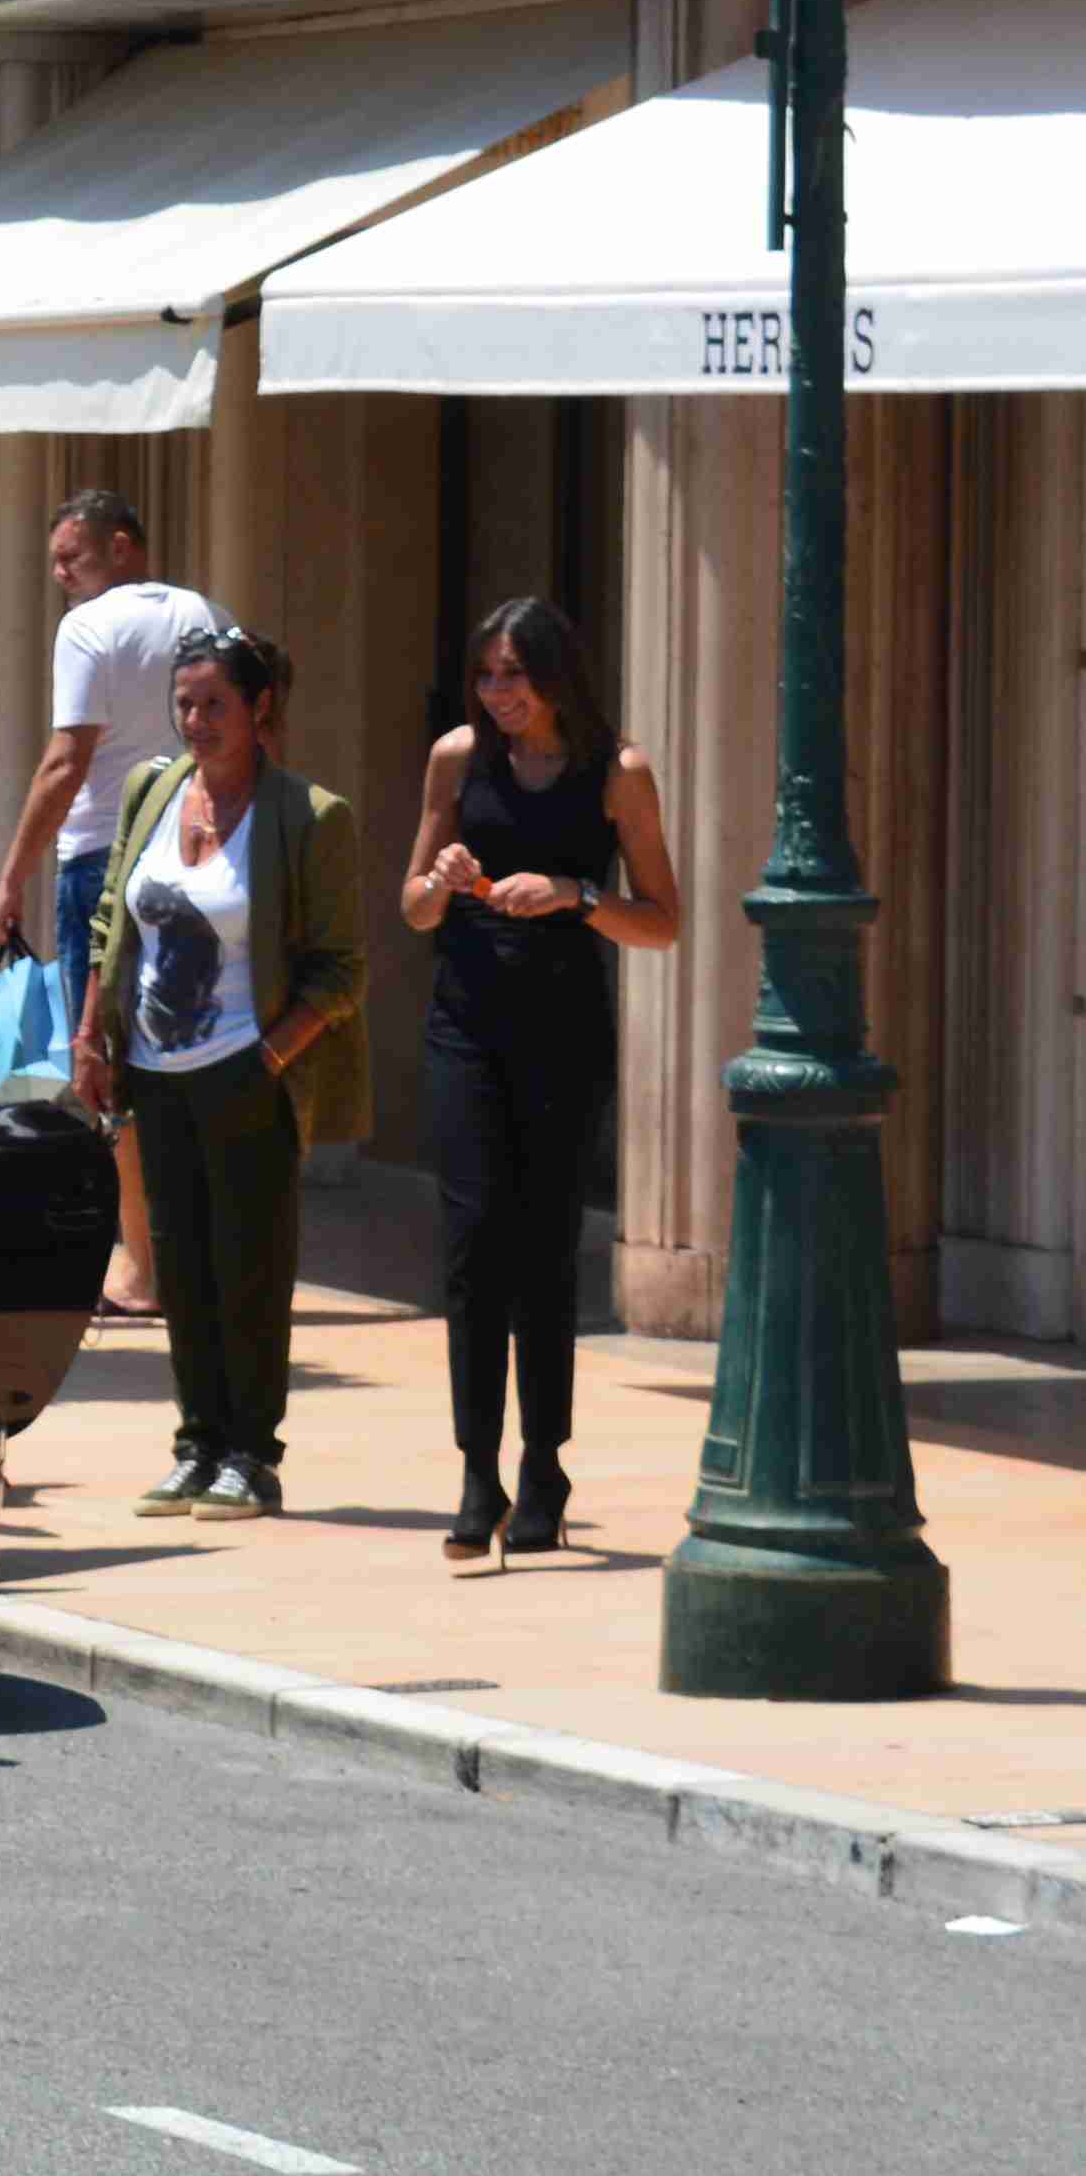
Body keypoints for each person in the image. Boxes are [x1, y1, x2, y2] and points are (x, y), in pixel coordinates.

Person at [402, 598, 683, 1562]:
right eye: (484, 674)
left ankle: (543, 1466)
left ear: (557, 675)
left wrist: (575, 894)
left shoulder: (616, 772)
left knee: (542, 1253)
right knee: (473, 1245)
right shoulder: (456, 757)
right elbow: (410, 908)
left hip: (562, 1032)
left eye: (513, 674)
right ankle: (475, 1468)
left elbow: (661, 918)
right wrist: (441, 879)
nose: (497, 692)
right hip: (464, 1027)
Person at [72, 625, 365, 1524]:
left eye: (214, 704)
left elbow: (341, 968)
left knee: (250, 1268)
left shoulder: (308, 815)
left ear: (258, 708)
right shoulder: (150, 790)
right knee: (181, 1269)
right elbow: (110, 919)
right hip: (155, 1071)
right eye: (184, 703)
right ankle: (195, 1443)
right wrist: (92, 1035)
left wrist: (270, 1055)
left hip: (248, 1071)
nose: (195, 720)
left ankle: (252, 1453)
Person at [0, 488, 212, 1314]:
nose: (55, 573)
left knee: (103, 1064)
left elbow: (64, 760)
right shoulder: (198, 612)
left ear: (122, 545)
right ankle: (175, 1255)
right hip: (189, 857)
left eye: (69, 556)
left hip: (102, 863)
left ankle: (140, 1265)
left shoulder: (87, 627)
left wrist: (10, 875)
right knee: (183, 1050)